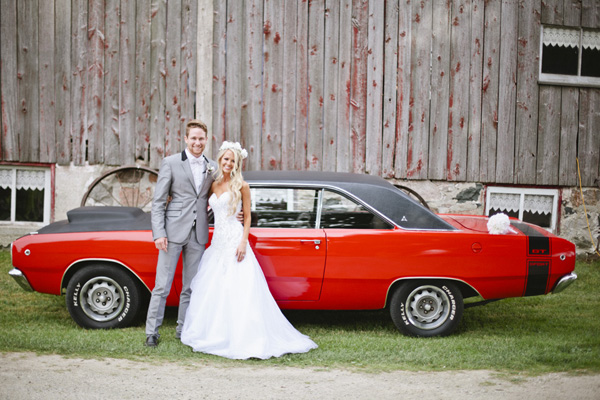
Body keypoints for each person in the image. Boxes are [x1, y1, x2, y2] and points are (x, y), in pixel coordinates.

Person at [181, 141, 318, 359]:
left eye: (232, 160)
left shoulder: (242, 185)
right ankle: (214, 333)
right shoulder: (213, 184)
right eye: (225, 159)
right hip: (217, 242)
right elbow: (202, 204)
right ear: (220, 160)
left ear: (237, 164)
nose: (228, 163)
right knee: (215, 289)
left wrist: (243, 242)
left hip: (235, 240)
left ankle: (242, 336)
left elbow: (247, 218)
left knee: (238, 290)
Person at [144, 119, 217, 347]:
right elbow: (158, 202)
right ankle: (152, 333)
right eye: (193, 138)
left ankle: (183, 330)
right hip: (172, 231)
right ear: (186, 139)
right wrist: (159, 233)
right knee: (162, 286)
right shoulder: (171, 162)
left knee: (190, 286)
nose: (197, 142)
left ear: (206, 140)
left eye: (201, 138)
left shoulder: (212, 166)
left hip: (198, 233)